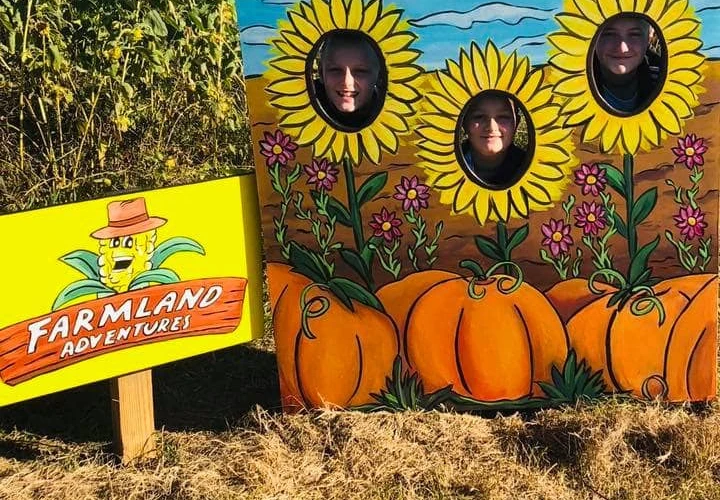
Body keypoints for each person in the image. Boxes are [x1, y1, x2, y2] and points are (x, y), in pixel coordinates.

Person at [314, 31, 383, 128]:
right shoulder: (303, 99)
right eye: (335, 70)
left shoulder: (392, 112)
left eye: (360, 71)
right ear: (321, 73)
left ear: (379, 76)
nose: (347, 82)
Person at [593, 16, 660, 113]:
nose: (622, 48)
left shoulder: (665, 84)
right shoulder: (571, 88)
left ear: (649, 37)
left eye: (634, 34)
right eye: (609, 34)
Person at [461, 91, 525, 187]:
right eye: (479, 116)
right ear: (464, 123)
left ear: (516, 124)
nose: (491, 126)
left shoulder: (530, 168)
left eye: (503, 117)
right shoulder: (443, 167)